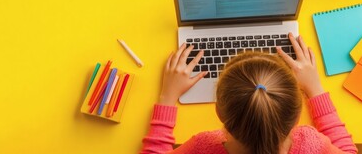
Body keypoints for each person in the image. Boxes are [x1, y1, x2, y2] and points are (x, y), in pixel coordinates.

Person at [140, 33, 357, 154]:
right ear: (296, 114)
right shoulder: (313, 144)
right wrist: (316, 89)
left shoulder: (203, 147)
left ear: (219, 112)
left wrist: (168, 97)